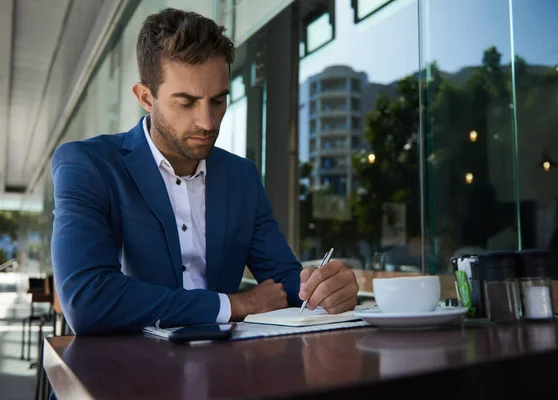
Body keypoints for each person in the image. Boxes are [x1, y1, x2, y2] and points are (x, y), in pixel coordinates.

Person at [51, 8, 359, 335]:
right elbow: (87, 300)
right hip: (119, 374)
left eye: (218, 101)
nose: (207, 122)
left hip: (222, 372)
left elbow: (284, 283)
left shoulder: (242, 177)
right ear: (145, 97)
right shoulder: (87, 165)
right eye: (186, 102)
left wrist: (324, 288)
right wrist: (233, 304)